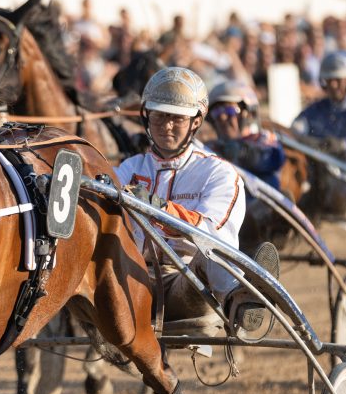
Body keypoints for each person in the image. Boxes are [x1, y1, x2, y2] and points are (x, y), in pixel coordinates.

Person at [116, 67, 277, 333]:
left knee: (212, 252)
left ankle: (241, 301)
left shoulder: (218, 173)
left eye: (177, 118)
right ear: (146, 117)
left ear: (196, 121)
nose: (167, 126)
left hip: (184, 283)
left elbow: (210, 233)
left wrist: (160, 210)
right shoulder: (129, 168)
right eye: (159, 117)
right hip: (127, 281)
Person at [291, 50, 346, 212]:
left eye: (339, 80)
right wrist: (308, 142)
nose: (333, 86)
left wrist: (342, 145)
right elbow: (294, 131)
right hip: (317, 171)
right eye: (329, 80)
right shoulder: (314, 110)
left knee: (339, 197)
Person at [206, 80, 286, 192]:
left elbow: (274, 159)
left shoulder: (263, 139)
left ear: (248, 114)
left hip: (260, 204)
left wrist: (243, 151)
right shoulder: (210, 148)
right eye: (217, 113)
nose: (223, 118)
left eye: (230, 110)